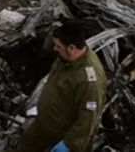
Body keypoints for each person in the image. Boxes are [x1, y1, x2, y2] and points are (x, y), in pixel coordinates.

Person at [17, 22, 107, 152]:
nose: (55, 49)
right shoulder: (67, 59)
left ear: (72, 48)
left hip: (61, 134)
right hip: (43, 123)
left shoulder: (89, 82)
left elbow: (89, 118)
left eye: (58, 46)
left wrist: (68, 145)